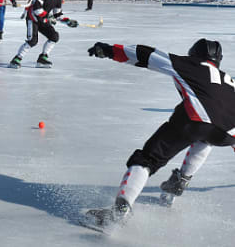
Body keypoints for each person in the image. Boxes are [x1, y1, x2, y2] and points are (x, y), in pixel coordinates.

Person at [84, 38, 235, 230]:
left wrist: (109, 50)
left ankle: (119, 211)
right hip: (227, 133)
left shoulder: (191, 64)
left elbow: (148, 55)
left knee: (147, 159)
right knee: (207, 137)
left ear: (194, 54)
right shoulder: (230, 83)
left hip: (196, 119)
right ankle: (180, 181)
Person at [8, 0, 78, 69]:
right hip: (33, 19)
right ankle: (16, 59)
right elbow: (37, 9)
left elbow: (57, 14)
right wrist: (49, 17)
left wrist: (67, 21)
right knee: (33, 41)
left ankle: (43, 58)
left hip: (43, 20)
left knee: (54, 36)